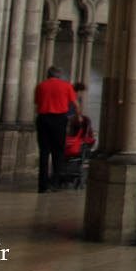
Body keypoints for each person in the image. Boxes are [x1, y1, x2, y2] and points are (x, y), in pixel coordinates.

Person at [32, 65, 78, 193]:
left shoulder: (41, 86)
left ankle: (42, 185)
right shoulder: (66, 86)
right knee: (58, 152)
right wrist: (78, 117)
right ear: (59, 75)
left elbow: (37, 103)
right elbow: (74, 103)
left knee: (44, 152)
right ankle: (55, 182)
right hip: (59, 119)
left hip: (43, 119)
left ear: (48, 75)